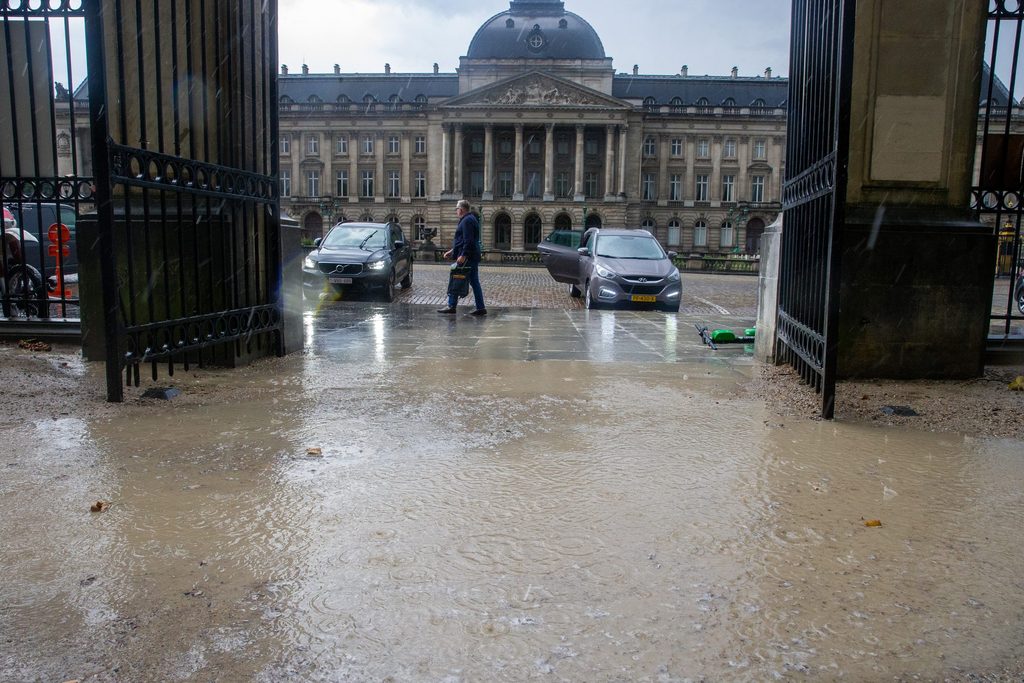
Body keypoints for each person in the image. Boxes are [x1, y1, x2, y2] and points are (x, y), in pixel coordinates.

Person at [438, 199, 486, 315]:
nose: (456, 211)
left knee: (456, 277)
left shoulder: (466, 221)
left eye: (457, 209)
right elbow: (463, 241)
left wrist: (463, 255)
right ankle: (480, 307)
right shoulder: (469, 219)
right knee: (474, 282)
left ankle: (451, 305)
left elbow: (468, 241)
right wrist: (452, 251)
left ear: (462, 209)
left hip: (468, 256)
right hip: (472, 255)